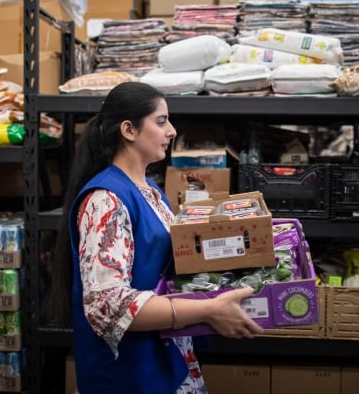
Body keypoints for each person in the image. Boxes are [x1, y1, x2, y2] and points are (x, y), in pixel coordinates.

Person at [49, 82, 263, 393]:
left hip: (162, 360)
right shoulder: (106, 200)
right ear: (129, 130)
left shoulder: (150, 190)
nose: (172, 130)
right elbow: (107, 304)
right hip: (127, 374)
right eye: (161, 121)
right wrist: (206, 309)